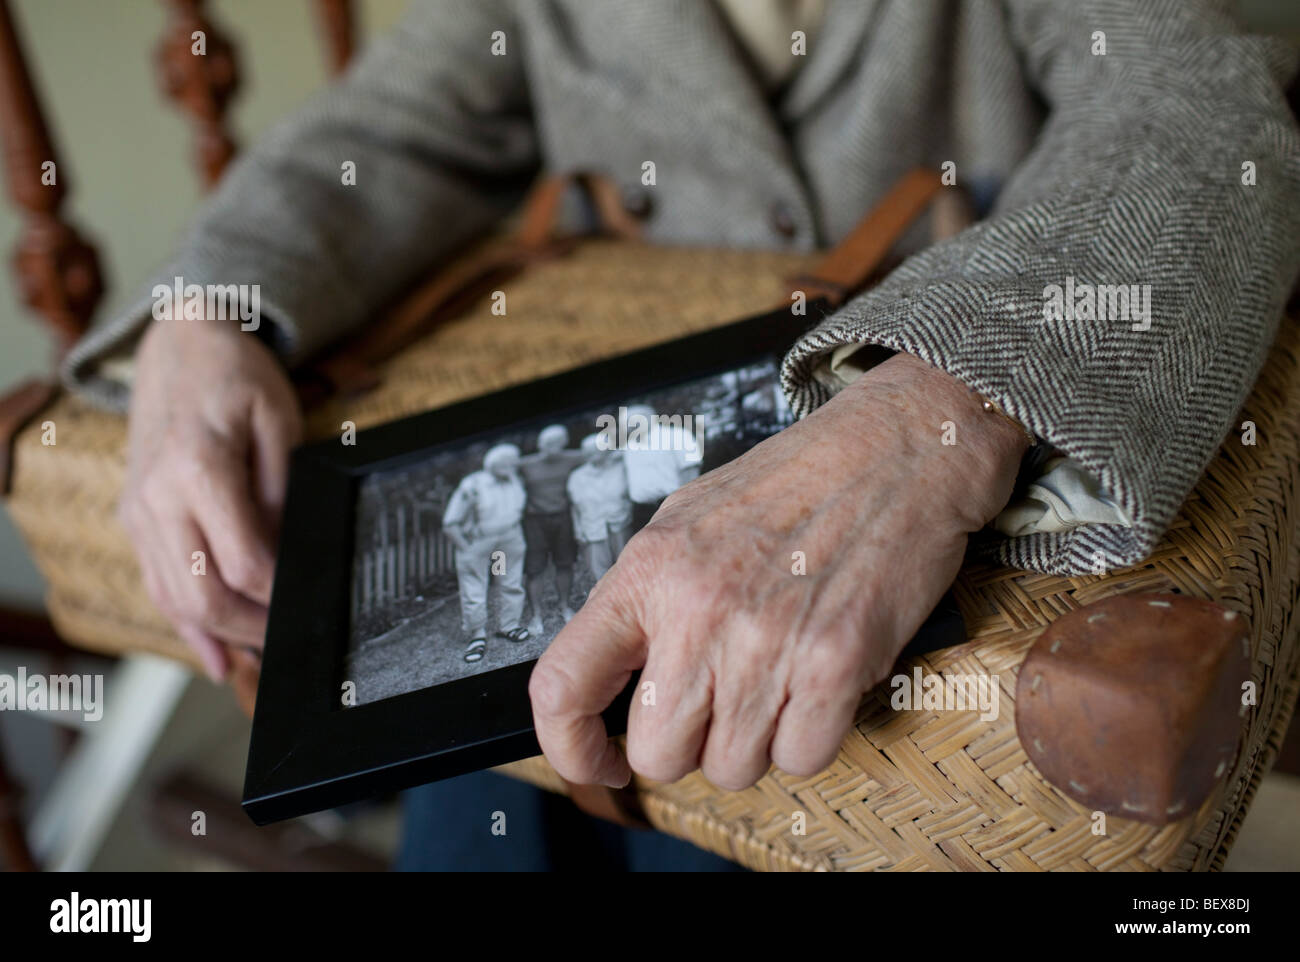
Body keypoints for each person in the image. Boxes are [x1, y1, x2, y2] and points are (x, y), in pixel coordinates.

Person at [79, 0, 1299, 868]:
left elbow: (1196, 115)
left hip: (901, 589)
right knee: (490, 805)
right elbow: (376, 139)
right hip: (613, 559)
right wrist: (207, 309)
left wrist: (941, 410)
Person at [441, 444, 529, 663]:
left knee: (508, 582)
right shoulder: (473, 485)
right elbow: (450, 523)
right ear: (492, 464)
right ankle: (477, 635)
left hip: (506, 543)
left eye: (513, 462)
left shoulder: (513, 481)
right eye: (507, 463)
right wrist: (466, 549)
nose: (512, 467)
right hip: (479, 544)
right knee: (475, 589)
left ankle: (508, 626)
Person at [517, 425, 588, 636]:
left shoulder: (573, 458)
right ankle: (536, 615)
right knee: (535, 568)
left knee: (565, 563)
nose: (550, 447)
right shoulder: (526, 464)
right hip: (534, 521)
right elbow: (498, 469)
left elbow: (604, 454)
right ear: (540, 444)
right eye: (546, 443)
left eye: (556, 443)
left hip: (563, 517)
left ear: (564, 443)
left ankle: (565, 607)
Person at [618, 405, 704, 530]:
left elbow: (690, 471)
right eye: (624, 424)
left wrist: (684, 505)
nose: (628, 426)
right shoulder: (628, 447)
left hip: (673, 506)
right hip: (641, 512)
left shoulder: (677, 435)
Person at [567, 434, 634, 580]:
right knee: (600, 575)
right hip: (592, 528)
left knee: (628, 567)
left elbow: (636, 451)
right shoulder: (577, 476)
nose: (591, 455)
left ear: (607, 450)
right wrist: (578, 530)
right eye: (588, 452)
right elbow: (574, 507)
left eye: (596, 450)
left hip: (621, 523)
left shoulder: (622, 467)